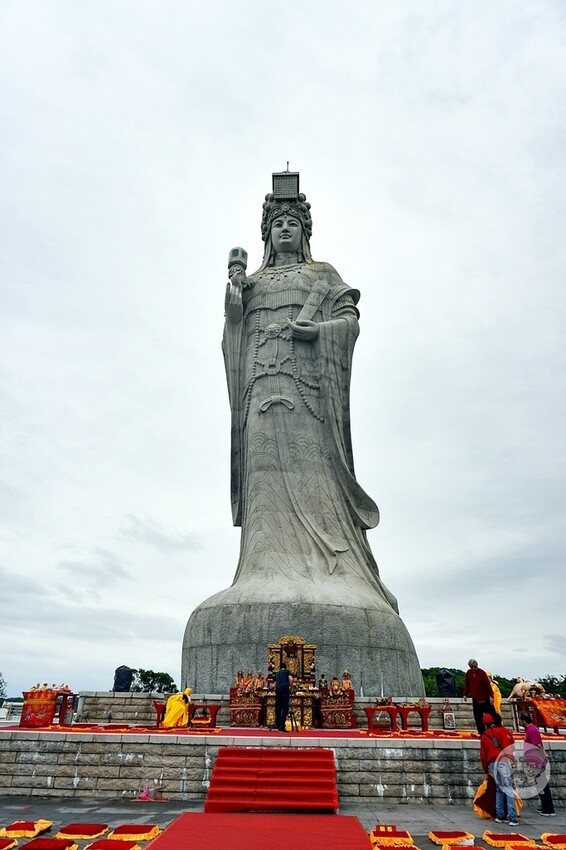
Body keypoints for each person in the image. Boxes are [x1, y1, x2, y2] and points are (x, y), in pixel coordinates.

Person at [222, 172, 399, 612]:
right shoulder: (254, 282)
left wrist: (318, 330)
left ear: (304, 230)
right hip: (261, 392)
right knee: (266, 485)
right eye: (277, 223)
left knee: (313, 481)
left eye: (292, 223)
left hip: (309, 400)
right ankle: (262, 572)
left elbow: (349, 320)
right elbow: (235, 333)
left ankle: (334, 570)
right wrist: (235, 301)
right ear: (267, 233)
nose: (285, 229)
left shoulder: (323, 275)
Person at [479, 713, 519, 827]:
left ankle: (499, 815)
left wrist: (486, 769)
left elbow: (483, 755)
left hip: (492, 763)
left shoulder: (484, 735)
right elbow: (510, 747)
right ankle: (512, 817)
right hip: (503, 761)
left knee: (499, 789)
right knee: (508, 789)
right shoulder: (504, 731)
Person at [520, 712, 556, 816]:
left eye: (521, 720)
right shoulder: (530, 729)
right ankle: (545, 805)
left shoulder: (531, 730)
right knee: (540, 785)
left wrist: (544, 755)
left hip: (537, 761)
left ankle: (549, 808)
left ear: (524, 721)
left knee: (542, 784)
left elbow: (538, 745)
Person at [463, 659, 494, 734]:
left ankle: (491, 731)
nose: (474, 668)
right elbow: (467, 685)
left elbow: (487, 685)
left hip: (485, 698)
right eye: (472, 667)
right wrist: (465, 694)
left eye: (475, 667)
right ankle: (481, 732)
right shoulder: (468, 673)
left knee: (489, 716)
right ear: (470, 667)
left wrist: (491, 696)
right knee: (478, 717)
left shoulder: (482, 673)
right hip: (476, 699)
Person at [275, 663, 293, 732]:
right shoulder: (287, 672)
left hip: (278, 690)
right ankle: (282, 726)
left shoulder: (277, 673)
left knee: (278, 708)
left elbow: (275, 683)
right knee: (285, 707)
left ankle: (278, 725)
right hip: (284, 690)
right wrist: (290, 687)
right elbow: (291, 679)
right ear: (285, 667)